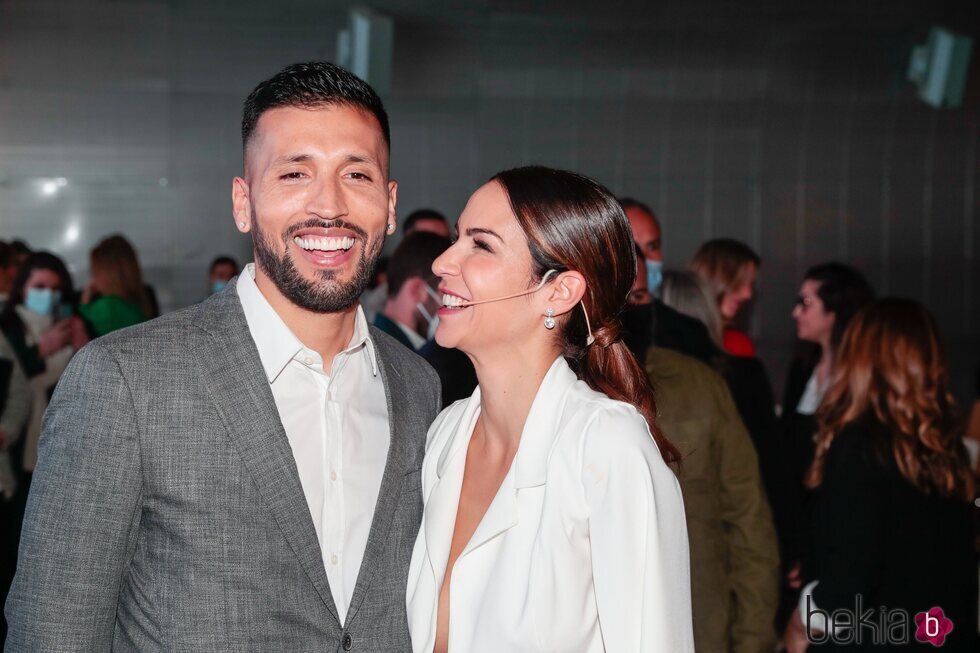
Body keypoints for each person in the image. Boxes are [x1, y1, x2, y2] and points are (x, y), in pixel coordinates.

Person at [6, 61, 440, 652]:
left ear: (389, 205)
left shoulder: (419, 386)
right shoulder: (125, 381)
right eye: (294, 174)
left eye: (356, 175)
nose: (329, 206)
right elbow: (52, 631)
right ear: (244, 202)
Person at [406, 166, 694, 652]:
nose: (441, 262)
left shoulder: (605, 446)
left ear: (558, 292)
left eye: (481, 245)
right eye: (456, 238)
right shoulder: (447, 435)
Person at [784, 299, 977, 652]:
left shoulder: (859, 446)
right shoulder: (947, 450)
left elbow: (847, 582)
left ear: (861, 359)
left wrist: (802, 619)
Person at [633, 257, 780, 653]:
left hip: (699, 628)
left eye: (641, 295)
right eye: (617, 297)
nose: (630, 308)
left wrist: (753, 639)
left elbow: (747, 519)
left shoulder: (697, 384)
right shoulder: (558, 391)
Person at [772, 263, 875, 628]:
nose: (795, 312)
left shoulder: (863, 381)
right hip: (796, 526)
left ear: (836, 310)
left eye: (805, 302)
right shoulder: (802, 369)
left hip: (836, 529)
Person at [0, 252, 89, 478]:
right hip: (16, 443)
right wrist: (40, 351)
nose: (47, 295)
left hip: (67, 441)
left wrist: (84, 346)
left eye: (55, 288)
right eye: (39, 286)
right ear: (23, 288)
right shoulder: (7, 325)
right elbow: (7, 378)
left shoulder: (74, 322)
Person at [620, 198, 719, 365]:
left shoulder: (686, 333)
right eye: (633, 247)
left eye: (652, 247)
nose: (644, 259)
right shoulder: (583, 329)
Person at [373, 231, 448, 350]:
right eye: (446, 295)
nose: (451, 305)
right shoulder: (391, 354)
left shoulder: (383, 341)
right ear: (417, 290)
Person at [691, 238, 760, 357]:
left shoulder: (738, 345)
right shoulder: (672, 337)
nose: (748, 294)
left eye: (751, 285)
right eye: (740, 282)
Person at [78, 235, 152, 336]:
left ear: (106, 274)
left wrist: (84, 302)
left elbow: (82, 322)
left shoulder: (106, 307)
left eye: (94, 271)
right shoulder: (141, 303)